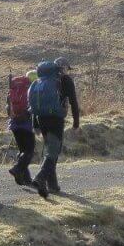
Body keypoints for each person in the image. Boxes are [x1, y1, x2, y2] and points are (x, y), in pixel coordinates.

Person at [29, 57, 80, 197]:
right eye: (67, 69)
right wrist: (76, 123)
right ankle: (40, 178)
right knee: (53, 151)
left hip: (41, 119)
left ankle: (52, 185)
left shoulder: (40, 81)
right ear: (62, 68)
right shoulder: (66, 80)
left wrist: (35, 124)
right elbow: (74, 102)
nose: (67, 71)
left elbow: (35, 105)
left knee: (50, 150)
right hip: (55, 120)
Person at [7, 69, 37, 186]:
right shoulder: (33, 90)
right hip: (27, 124)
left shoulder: (13, 89)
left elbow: (7, 109)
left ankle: (25, 179)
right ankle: (17, 169)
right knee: (29, 151)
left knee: (22, 151)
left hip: (14, 124)